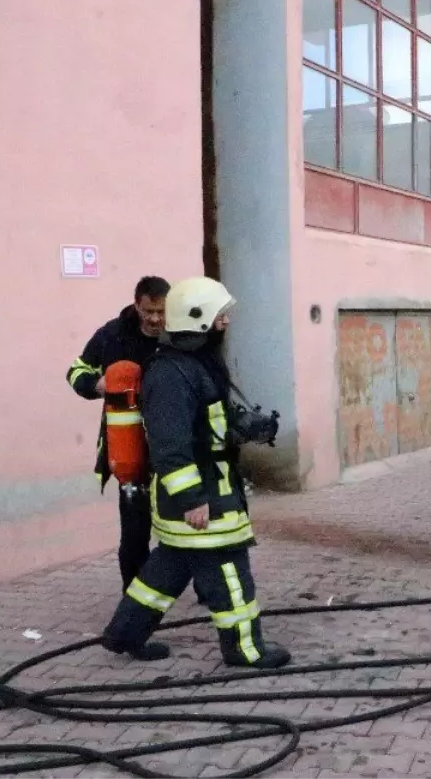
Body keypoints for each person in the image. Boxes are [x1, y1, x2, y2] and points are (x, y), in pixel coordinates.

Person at [101, 276, 290, 668]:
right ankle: (245, 649)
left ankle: (124, 634)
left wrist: (244, 426)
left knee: (167, 569)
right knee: (228, 569)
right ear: (199, 320)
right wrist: (191, 499)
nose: (226, 323)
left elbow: (208, 421)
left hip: (199, 492)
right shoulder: (171, 373)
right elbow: (170, 445)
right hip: (198, 497)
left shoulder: (195, 365)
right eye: (220, 316)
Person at [66, 276, 170, 594]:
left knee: (185, 524)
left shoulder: (179, 334)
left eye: (161, 312)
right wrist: (96, 385)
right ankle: (134, 598)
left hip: (172, 444)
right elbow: (76, 370)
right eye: (148, 311)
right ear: (136, 304)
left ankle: (204, 590)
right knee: (135, 532)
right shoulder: (112, 335)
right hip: (128, 448)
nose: (154, 319)